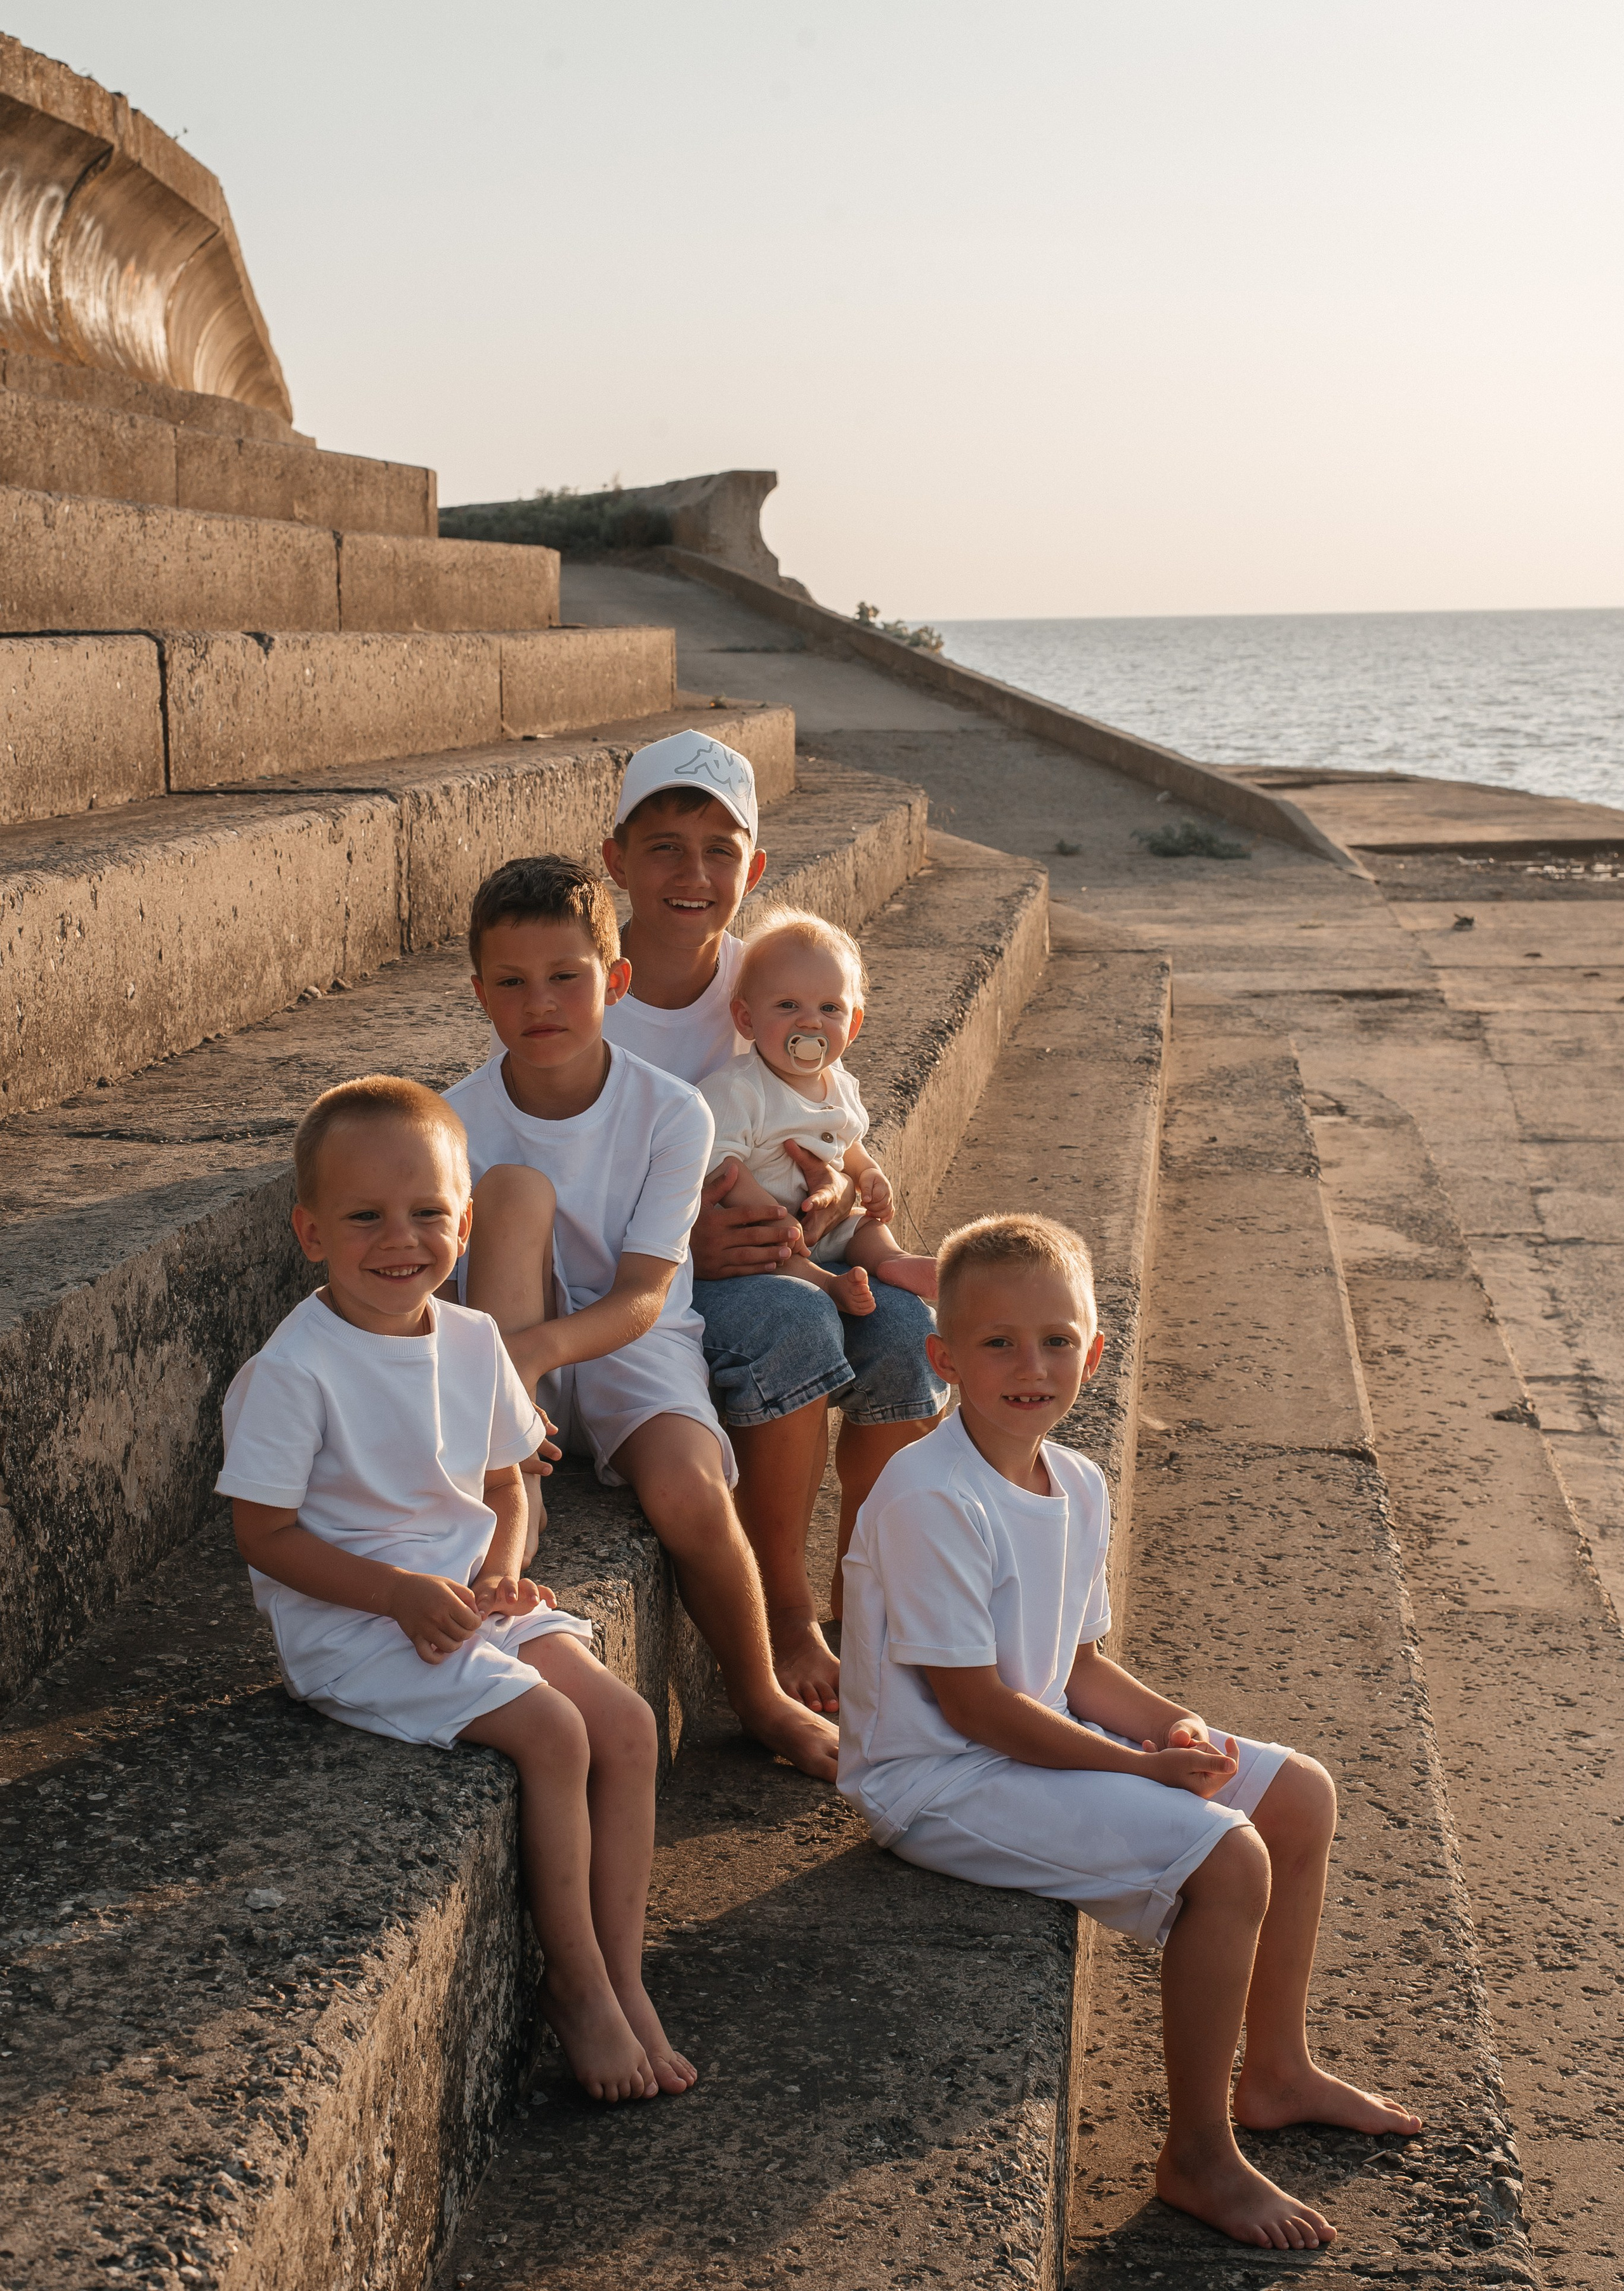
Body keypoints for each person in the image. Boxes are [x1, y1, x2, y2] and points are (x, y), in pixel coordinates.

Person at [837, 1212, 1422, 2251]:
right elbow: (974, 1709)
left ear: (1095, 1352)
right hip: (938, 1782)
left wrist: (1175, 1727)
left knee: (1297, 1795)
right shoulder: (929, 1496)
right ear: (943, 1359)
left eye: (1058, 1340)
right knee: (1226, 1855)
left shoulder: (1077, 1483)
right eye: (998, 1343)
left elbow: (1076, 1666)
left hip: (1036, 1739)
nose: (1033, 1365)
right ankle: (1196, 2151)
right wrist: (1141, 1769)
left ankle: (1277, 2070)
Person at [217, 1076, 693, 2103]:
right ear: (310, 1232)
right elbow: (263, 1535)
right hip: (357, 1622)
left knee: (622, 1724)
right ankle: (576, 1988)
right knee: (555, 1734)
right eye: (365, 1218)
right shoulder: (296, 1370)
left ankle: (623, 1973)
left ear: (465, 1222)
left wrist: (501, 1567)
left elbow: (505, 1482)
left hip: (464, 1601)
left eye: (430, 1213)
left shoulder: (474, 1342)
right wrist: (394, 1591)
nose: (403, 1240)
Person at [442, 853, 839, 1785]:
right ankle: (514, 1478)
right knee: (512, 1190)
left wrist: (533, 1358)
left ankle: (759, 1694)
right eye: (512, 982)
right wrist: (507, 1367)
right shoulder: (454, 1120)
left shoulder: (670, 1111)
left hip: (628, 1338)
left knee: (693, 1495)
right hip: (505, 1332)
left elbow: (647, 1294)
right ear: (480, 993)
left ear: (615, 982)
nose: (540, 1002)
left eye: (566, 977)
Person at [600, 730, 948, 1717]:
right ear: (617, 859)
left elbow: (825, 1104)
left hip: (791, 1248)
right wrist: (683, 1244)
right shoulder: (587, 1000)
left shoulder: (774, 971)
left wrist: (841, 1190)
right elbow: (566, 1179)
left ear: (752, 868)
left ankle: (870, 1604)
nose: (693, 873)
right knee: (796, 1328)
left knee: (907, 1331)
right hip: (658, 1289)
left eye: (721, 850)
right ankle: (787, 1615)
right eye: (664, 845)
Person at [696, 907, 937, 1316]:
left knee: (865, 1227)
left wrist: (868, 1174)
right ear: (747, 1018)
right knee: (775, 1250)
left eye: (830, 1008)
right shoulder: (740, 1089)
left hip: (827, 1221)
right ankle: (828, 1283)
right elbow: (722, 1163)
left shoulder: (840, 1082)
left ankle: (893, 1260)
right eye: (788, 1005)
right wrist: (772, 1217)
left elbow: (851, 1141)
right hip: (759, 1227)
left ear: (854, 1024)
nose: (810, 1022)